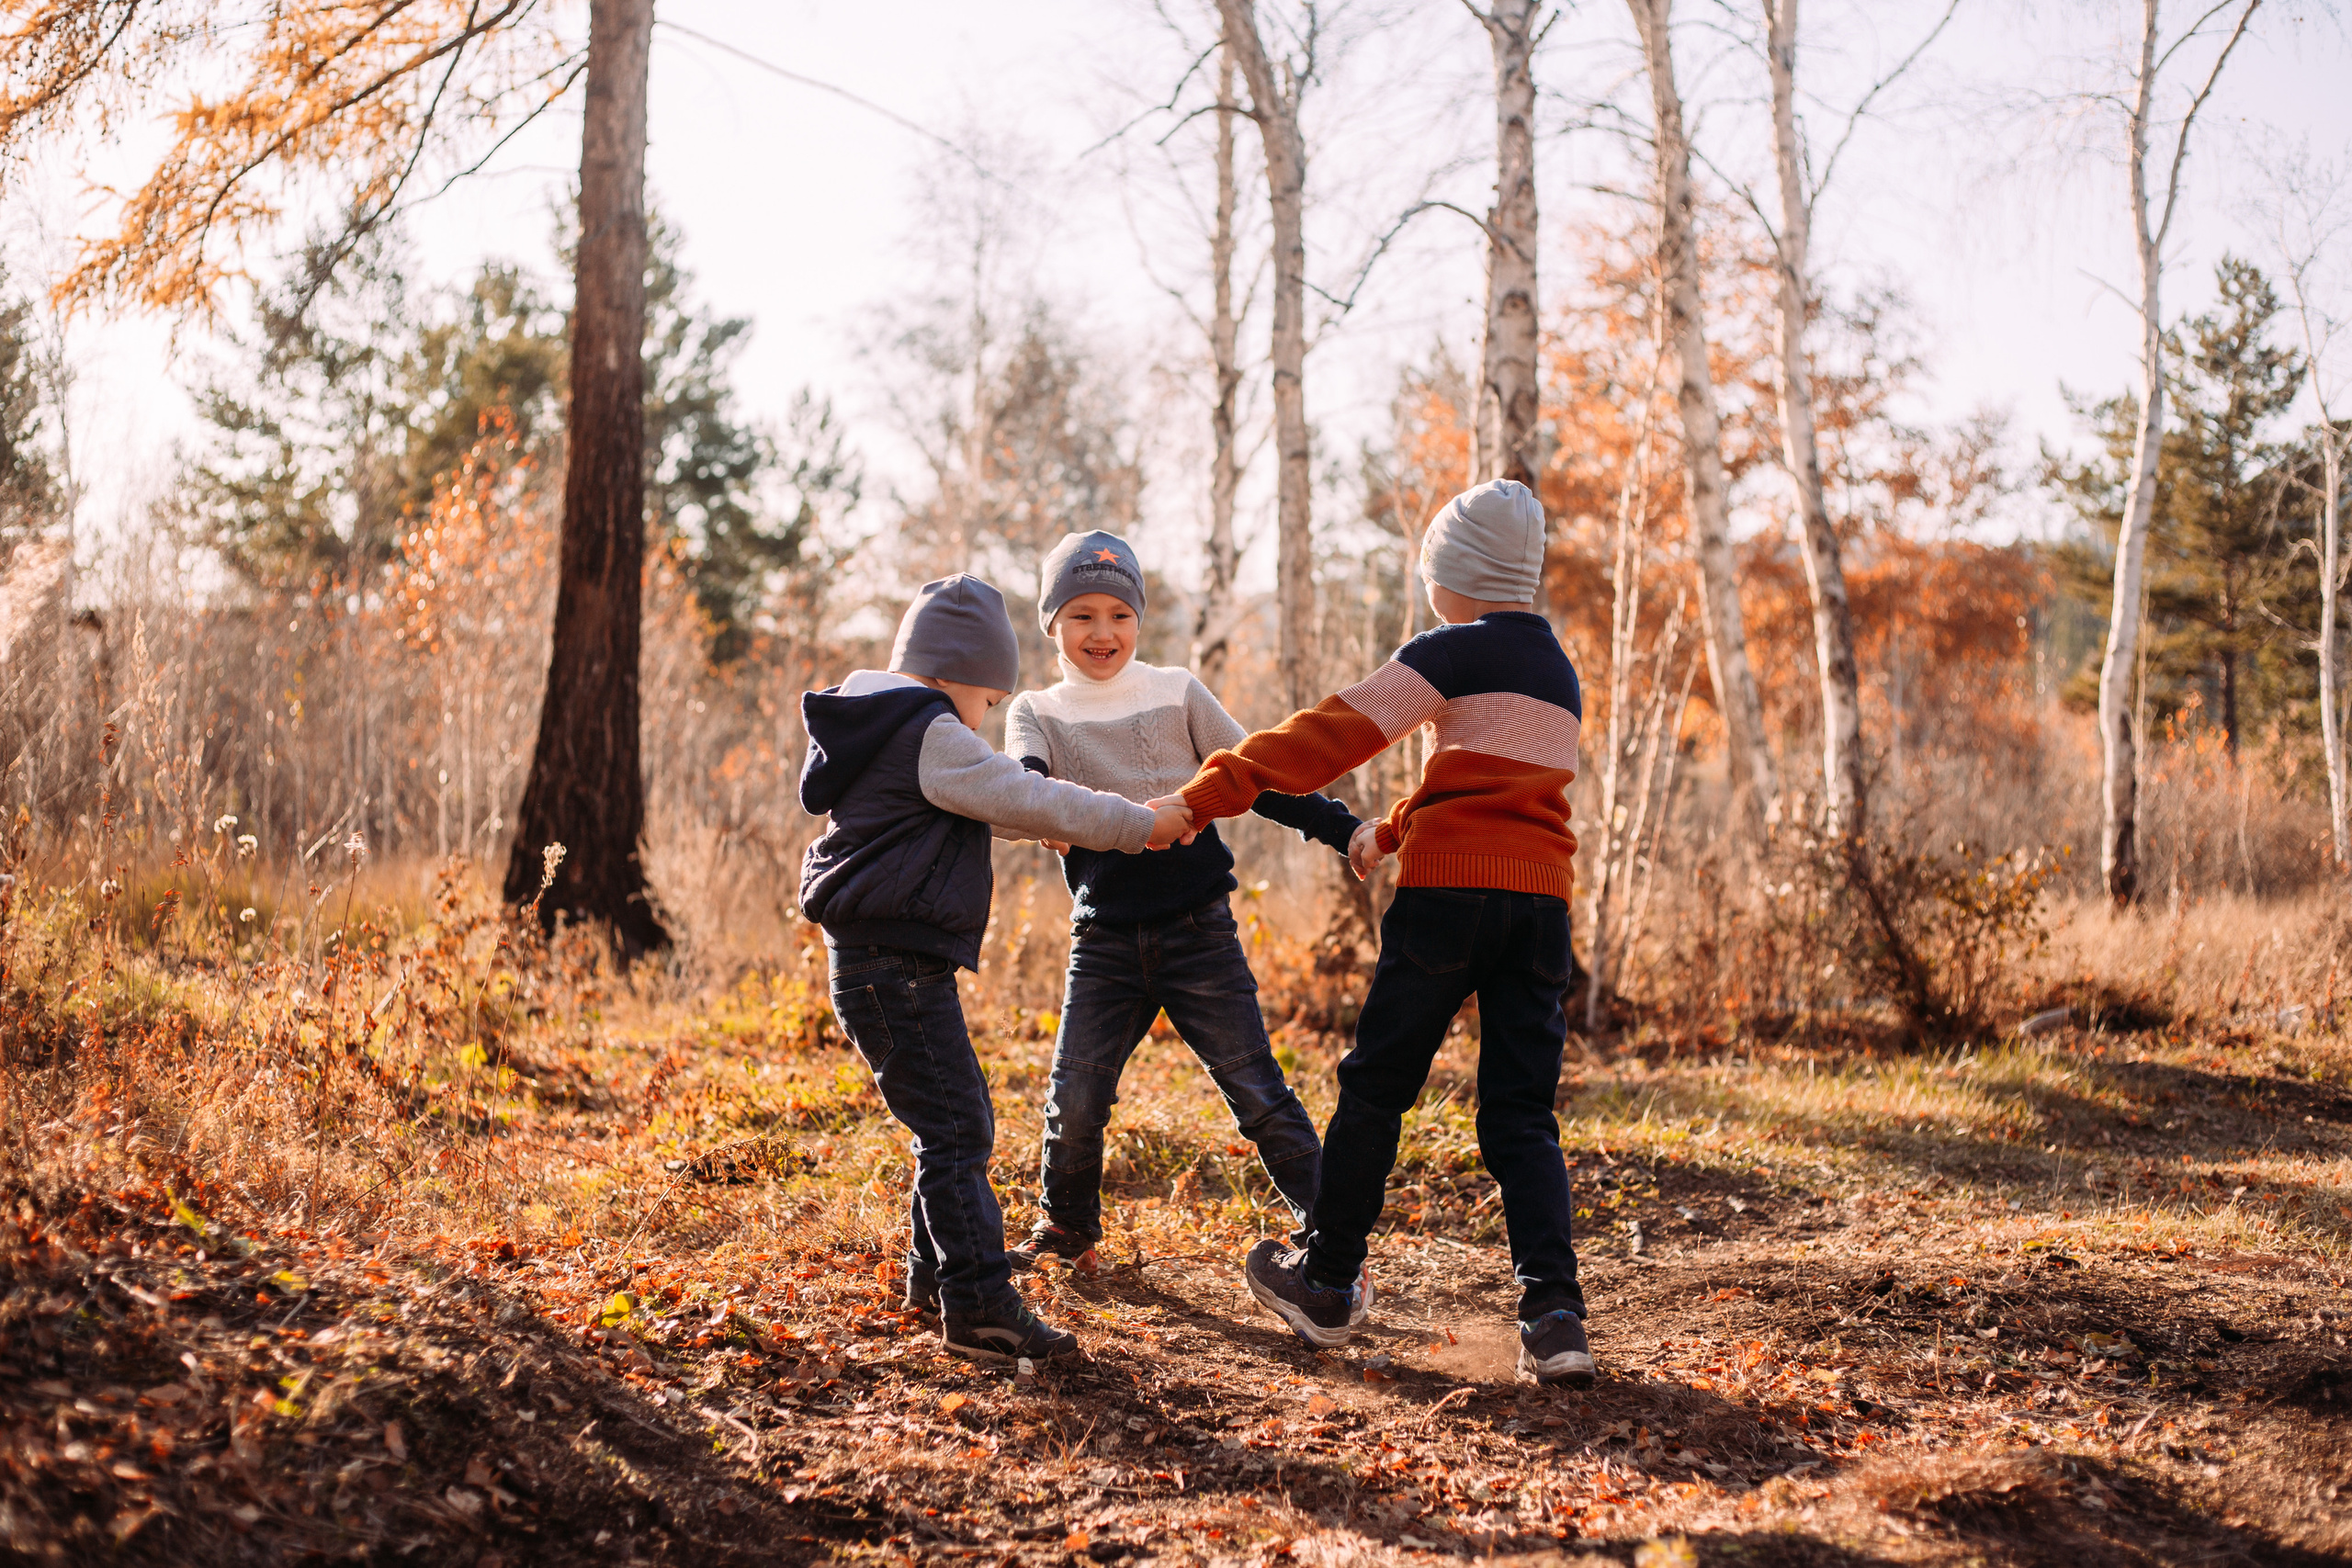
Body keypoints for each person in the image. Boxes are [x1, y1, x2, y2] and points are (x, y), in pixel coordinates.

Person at [1164, 479, 1596, 1386]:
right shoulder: (1556, 670)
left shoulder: (1448, 649)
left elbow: (1328, 736)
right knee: (1520, 1114)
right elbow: (1494, 782)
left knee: (1376, 1090)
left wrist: (1205, 795)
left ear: (1453, 577)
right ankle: (1554, 1315)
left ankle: (1324, 1284)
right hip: (1541, 904)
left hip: (1449, 900)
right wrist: (1391, 828)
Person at [798, 573, 1193, 1364]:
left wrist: (1050, 820)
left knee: (942, 1123)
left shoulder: (882, 726)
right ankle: (979, 1304)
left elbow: (979, 805)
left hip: (875, 961)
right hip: (897, 966)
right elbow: (1014, 793)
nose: (981, 720)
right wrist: (1138, 823)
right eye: (985, 701)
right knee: (959, 1130)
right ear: (958, 678)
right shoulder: (929, 727)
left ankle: (934, 1277)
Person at [1001, 531, 1363, 1276]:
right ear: (1051, 624)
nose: (1102, 633)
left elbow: (1256, 774)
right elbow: (1024, 791)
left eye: (1118, 614)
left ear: (1139, 617)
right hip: (1103, 939)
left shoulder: (1177, 690)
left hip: (1197, 928)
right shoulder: (1036, 711)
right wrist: (1047, 815)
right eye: (1081, 616)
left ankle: (1335, 1242)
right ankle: (1067, 1226)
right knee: (1075, 1096)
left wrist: (1341, 827)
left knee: (1256, 1090)